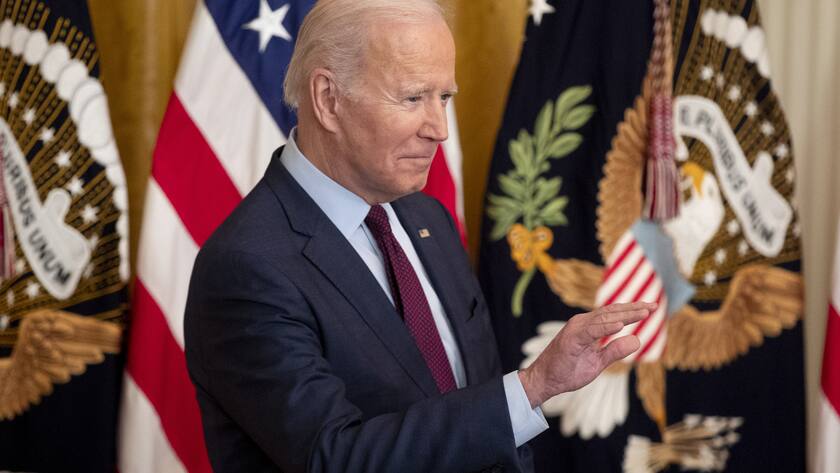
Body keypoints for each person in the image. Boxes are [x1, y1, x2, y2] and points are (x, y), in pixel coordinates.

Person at [183, 1, 655, 472]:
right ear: (328, 99)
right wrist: (531, 388)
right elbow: (335, 458)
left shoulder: (426, 218)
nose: (439, 130)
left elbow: (483, 414)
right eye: (412, 98)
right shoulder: (247, 266)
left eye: (444, 98)